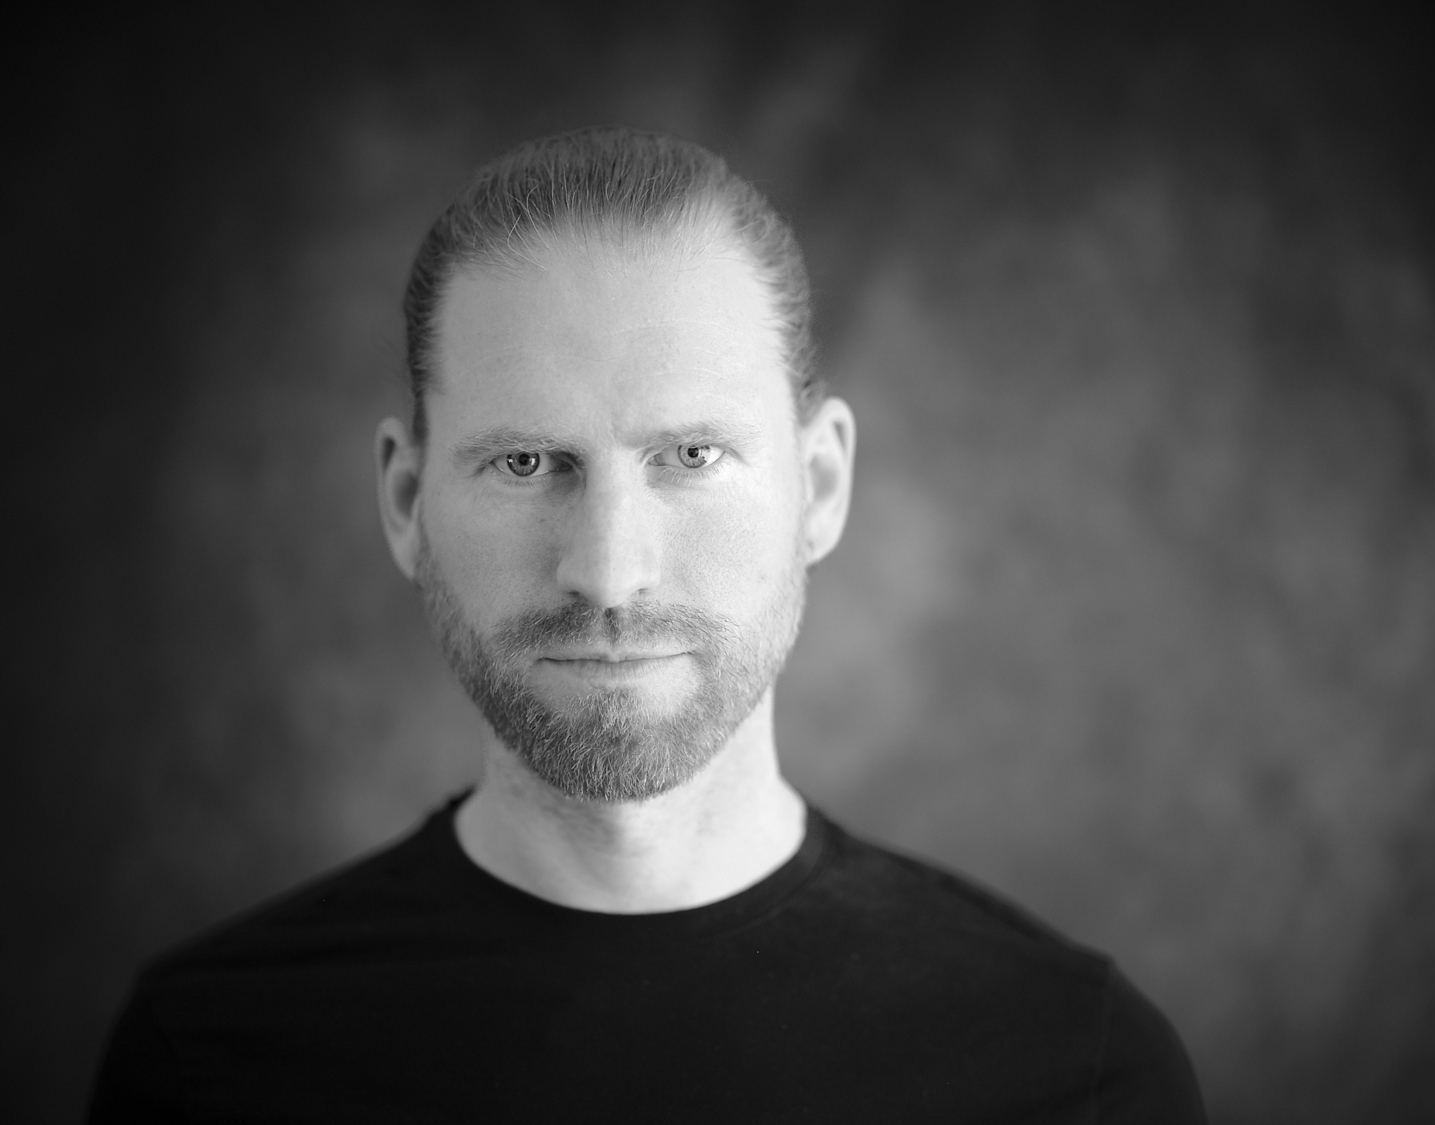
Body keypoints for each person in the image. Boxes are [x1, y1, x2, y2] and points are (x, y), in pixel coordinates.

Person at [88, 126, 1207, 1123]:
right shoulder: (209, 1066)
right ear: (405, 501)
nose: (609, 574)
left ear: (819, 486)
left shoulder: (1078, 1074)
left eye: (691, 456)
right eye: (527, 463)